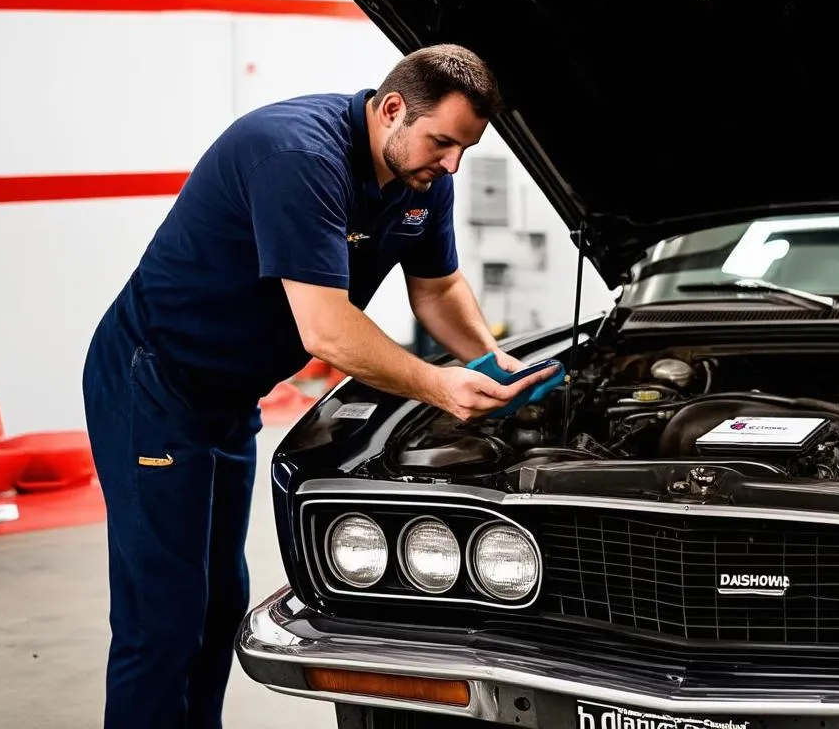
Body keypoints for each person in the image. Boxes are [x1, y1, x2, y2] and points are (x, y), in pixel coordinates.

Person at [81, 43, 553, 729]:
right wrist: (438, 387)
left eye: (464, 149)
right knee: (162, 612)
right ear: (392, 108)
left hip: (228, 396)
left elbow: (439, 287)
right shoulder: (298, 156)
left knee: (217, 604)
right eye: (443, 142)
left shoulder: (423, 180)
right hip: (153, 381)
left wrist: (490, 358)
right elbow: (326, 331)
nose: (451, 164)